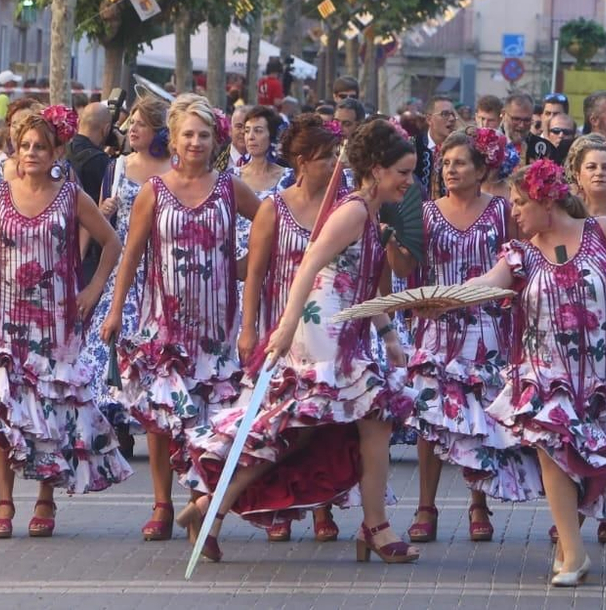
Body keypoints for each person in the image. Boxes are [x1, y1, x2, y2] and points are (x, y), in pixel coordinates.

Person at [179, 118, 415, 565]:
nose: (408, 181)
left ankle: (210, 508)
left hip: (344, 331)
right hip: (319, 333)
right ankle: (377, 527)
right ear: (378, 169)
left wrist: (387, 334)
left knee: (297, 433)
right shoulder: (353, 211)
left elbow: (361, 284)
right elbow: (308, 266)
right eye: (402, 172)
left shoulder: (365, 210)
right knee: (374, 419)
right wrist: (284, 327)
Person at [477, 159, 606, 587]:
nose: (513, 212)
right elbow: (485, 284)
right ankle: (574, 551)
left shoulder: (601, 232)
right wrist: (440, 299)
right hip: (546, 375)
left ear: (545, 200)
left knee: (589, 461)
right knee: (553, 451)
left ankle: (570, 544)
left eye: (519, 203)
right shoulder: (521, 253)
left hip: (603, 375)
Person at [102, 94, 262, 541]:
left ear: (217, 141)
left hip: (216, 329)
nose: (195, 142)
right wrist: (116, 311)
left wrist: (242, 267)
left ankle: (200, 505)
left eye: (204, 135)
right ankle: (162, 503)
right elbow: (131, 254)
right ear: (172, 138)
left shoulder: (231, 188)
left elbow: (274, 224)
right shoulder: (154, 190)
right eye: (188, 134)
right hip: (162, 323)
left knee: (211, 420)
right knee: (160, 417)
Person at [0, 110, 129, 537]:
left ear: (57, 151)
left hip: (57, 325)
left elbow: (112, 244)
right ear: (15, 152)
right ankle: (4, 501)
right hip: (7, 319)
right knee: (5, 409)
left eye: (41, 146)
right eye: (25, 147)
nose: (32, 153)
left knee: (50, 410)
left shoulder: (71, 196)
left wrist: (92, 291)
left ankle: (45, 497)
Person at [234, 114, 343, 544]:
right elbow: (256, 273)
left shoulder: (343, 207)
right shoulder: (273, 208)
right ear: (302, 160)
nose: (335, 164)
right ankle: (277, 504)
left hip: (327, 329)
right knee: (280, 424)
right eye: (326, 157)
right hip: (279, 326)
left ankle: (323, 506)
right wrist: (247, 330)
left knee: (324, 419)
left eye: (337, 155)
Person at [408, 128, 518, 545]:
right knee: (429, 419)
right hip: (437, 327)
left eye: (460, 163)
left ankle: (478, 502)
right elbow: (411, 267)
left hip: (487, 326)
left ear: (480, 169)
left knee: (480, 418)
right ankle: (425, 506)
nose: (451, 170)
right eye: (446, 163)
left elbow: (519, 262)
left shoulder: (502, 211)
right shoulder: (426, 212)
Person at [76, 98, 169, 454]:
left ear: (158, 131)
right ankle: (117, 421)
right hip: (124, 269)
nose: (133, 128)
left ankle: (150, 415)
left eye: (142, 124)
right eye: (131, 122)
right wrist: (103, 211)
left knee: (151, 346)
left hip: (159, 268)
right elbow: (99, 221)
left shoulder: (172, 169)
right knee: (114, 343)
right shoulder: (116, 167)